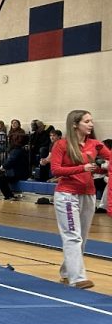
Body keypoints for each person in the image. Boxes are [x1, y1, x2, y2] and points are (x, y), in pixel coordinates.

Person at [50, 109, 110, 290]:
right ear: (75, 124)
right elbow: (56, 170)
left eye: (91, 121)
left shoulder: (96, 144)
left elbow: (108, 161)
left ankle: (67, 272)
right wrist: (82, 168)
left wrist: (102, 168)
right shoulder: (62, 145)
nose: (91, 124)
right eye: (87, 121)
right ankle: (78, 277)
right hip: (67, 194)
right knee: (72, 236)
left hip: (88, 193)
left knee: (82, 237)